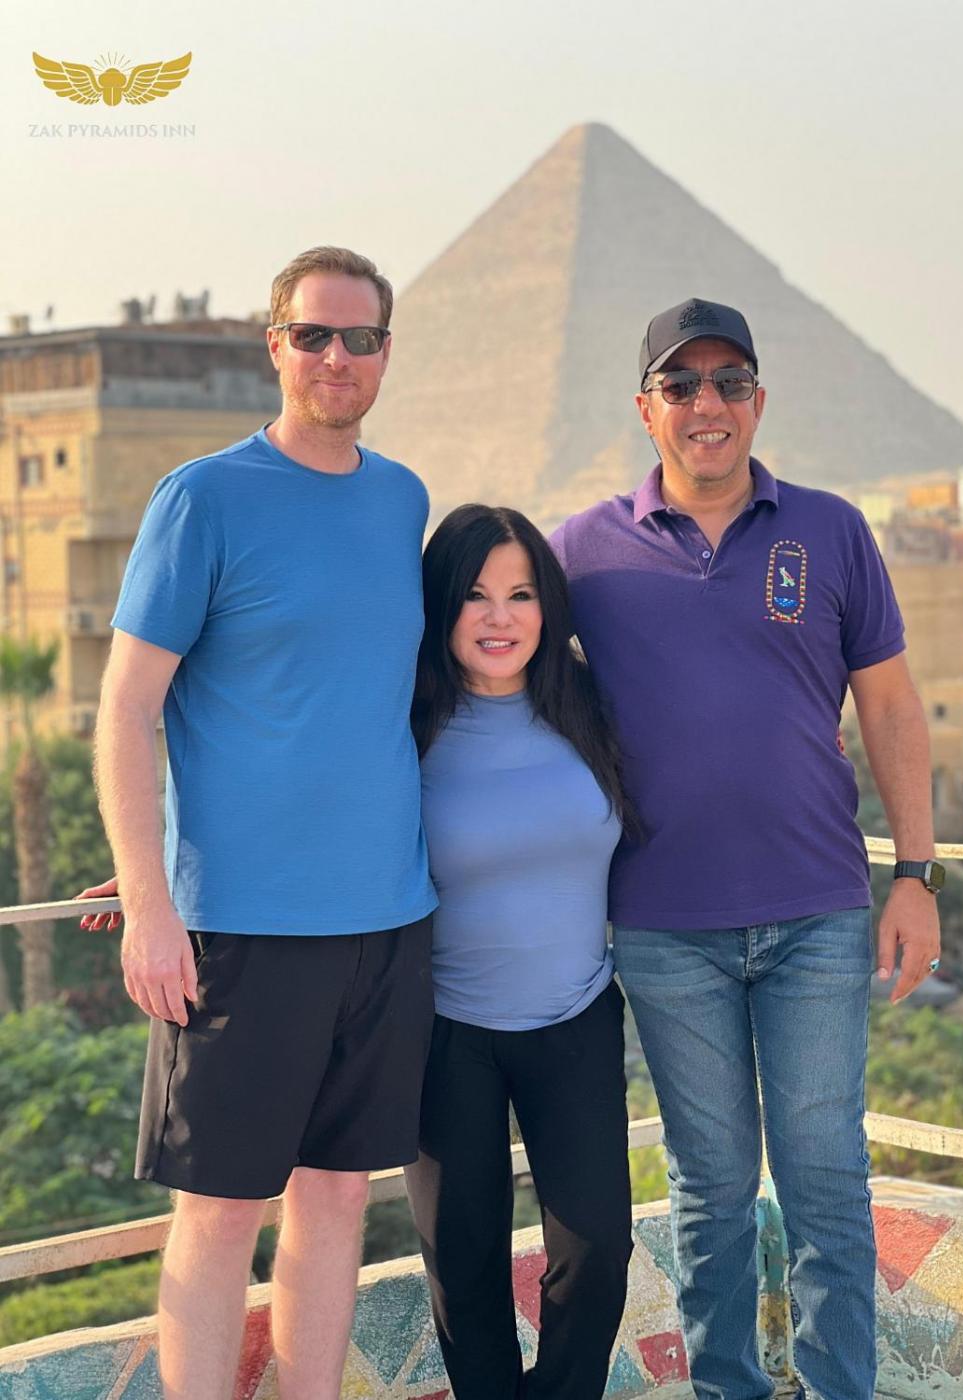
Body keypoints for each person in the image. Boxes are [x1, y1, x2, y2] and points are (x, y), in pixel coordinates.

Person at [549, 298, 942, 1400]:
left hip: (818, 912)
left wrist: (915, 875)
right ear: (646, 410)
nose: (707, 404)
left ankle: (839, 1387)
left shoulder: (832, 530)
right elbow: (480, 678)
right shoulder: (581, 552)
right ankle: (726, 1387)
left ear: (759, 399)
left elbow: (891, 708)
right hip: (664, 927)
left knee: (826, 1181)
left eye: (729, 381)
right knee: (711, 1190)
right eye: (680, 385)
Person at [84, 246, 436, 1400]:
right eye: (314, 334)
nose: (338, 356)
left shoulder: (402, 498)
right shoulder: (203, 496)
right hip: (243, 926)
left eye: (361, 337)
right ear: (274, 343)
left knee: (337, 1194)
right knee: (223, 1208)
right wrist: (149, 894)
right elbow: (126, 707)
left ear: (385, 351)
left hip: (389, 919)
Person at [405, 503, 635, 1400]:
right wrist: (170, 872)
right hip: (445, 1034)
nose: (499, 618)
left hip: (576, 1019)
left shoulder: (590, 704)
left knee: (597, 1250)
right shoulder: (403, 725)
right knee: (463, 1266)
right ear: (441, 606)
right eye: (475, 595)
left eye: (522, 594)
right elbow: (307, 805)